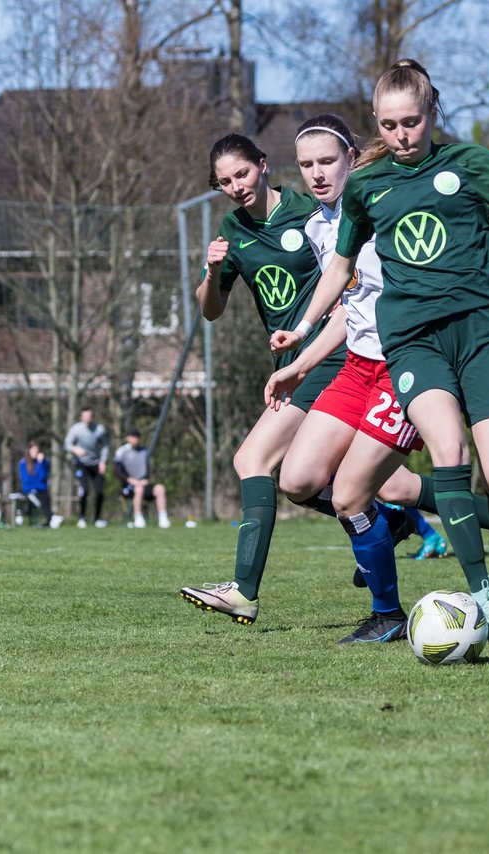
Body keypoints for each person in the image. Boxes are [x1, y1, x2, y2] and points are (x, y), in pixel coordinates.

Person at [271, 62, 489, 639]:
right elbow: (341, 264)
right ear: (376, 124)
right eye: (388, 125)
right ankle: (483, 594)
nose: (401, 135)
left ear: (431, 113)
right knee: (447, 453)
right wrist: (305, 327)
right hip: (412, 341)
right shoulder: (367, 186)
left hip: (481, 330)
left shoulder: (471, 164)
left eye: (411, 122)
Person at [176, 131, 352, 626]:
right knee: (374, 485)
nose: (235, 186)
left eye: (243, 173)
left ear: (264, 165)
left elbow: (346, 276)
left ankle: (244, 591)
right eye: (224, 181)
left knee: (253, 457)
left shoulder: (310, 212)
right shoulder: (231, 231)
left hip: (328, 355)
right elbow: (210, 311)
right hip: (289, 367)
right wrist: (212, 273)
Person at [114, 430, 172, 529]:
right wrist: (129, 479)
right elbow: (117, 471)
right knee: (139, 489)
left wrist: (146, 479)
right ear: (127, 438)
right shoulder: (122, 451)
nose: (134, 439)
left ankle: (163, 518)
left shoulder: (144, 451)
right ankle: (138, 518)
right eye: (132, 436)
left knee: (160, 488)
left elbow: (149, 469)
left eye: (136, 437)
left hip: (142, 483)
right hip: (128, 486)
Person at [63, 406, 109, 528]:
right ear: (82, 417)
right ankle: (82, 517)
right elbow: (66, 444)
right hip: (81, 464)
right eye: (85, 416)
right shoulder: (76, 429)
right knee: (84, 491)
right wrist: (75, 449)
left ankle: (98, 518)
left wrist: (103, 461)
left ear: (92, 416)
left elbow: (105, 445)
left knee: (99, 492)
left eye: (90, 416)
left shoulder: (99, 429)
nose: (88, 418)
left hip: (96, 464)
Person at [18, 440, 61, 527]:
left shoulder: (43, 462)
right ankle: (52, 517)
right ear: (29, 450)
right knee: (39, 498)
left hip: (41, 489)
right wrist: (36, 481)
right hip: (29, 490)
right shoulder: (23, 463)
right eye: (33, 449)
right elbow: (26, 479)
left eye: (37, 450)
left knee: (44, 496)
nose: (35, 452)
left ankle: (51, 519)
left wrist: (41, 463)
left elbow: (42, 477)